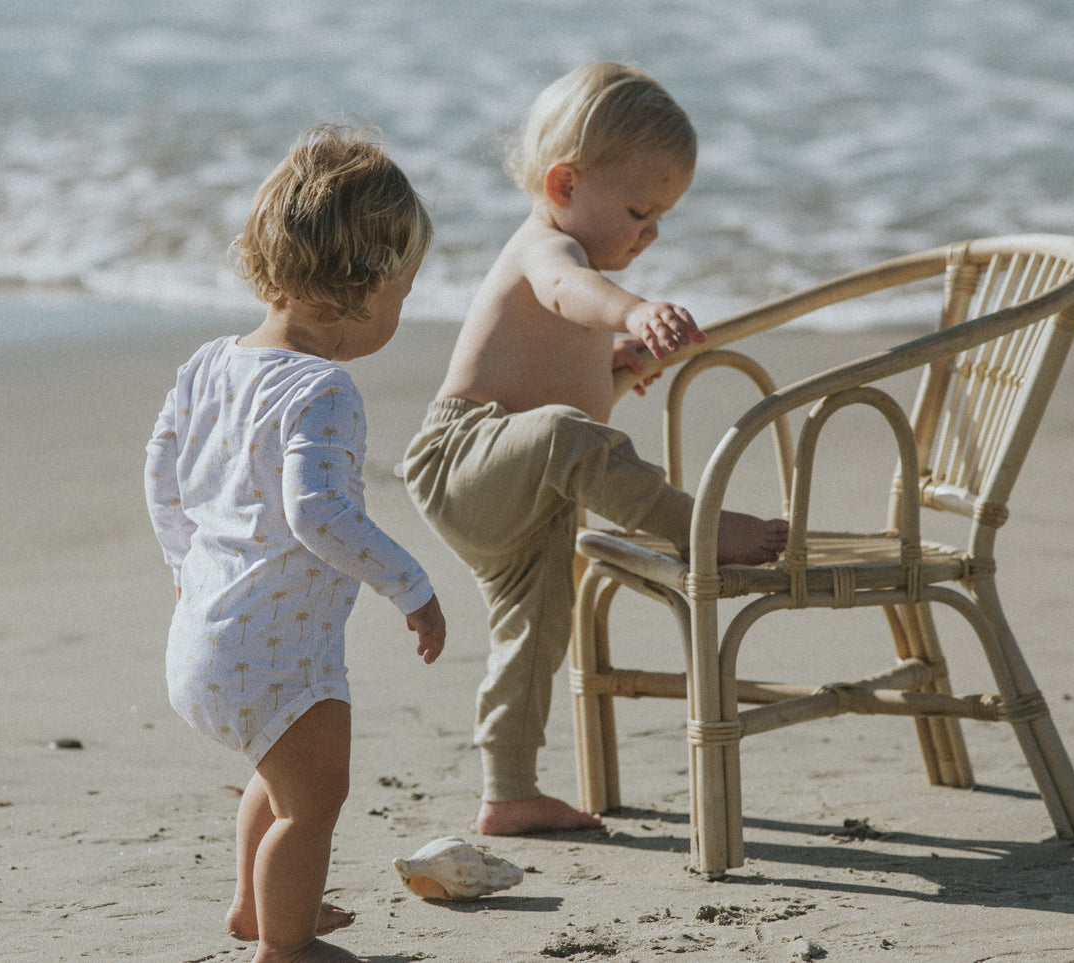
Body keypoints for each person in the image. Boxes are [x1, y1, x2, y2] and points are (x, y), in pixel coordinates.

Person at [402, 62, 787, 837]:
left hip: (528, 489)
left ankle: (507, 788)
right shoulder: (546, 249)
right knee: (563, 433)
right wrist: (633, 313)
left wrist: (612, 365)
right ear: (564, 185)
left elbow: (559, 386)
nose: (650, 232)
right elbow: (563, 297)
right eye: (639, 209)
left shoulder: (578, 256)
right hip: (462, 458)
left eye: (662, 218)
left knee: (536, 630)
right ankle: (698, 524)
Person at [145, 124, 446, 963]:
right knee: (313, 802)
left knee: (279, 782)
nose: (401, 308)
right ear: (365, 283)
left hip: (203, 636)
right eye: (404, 291)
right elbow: (317, 513)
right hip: (279, 652)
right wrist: (409, 583)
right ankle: (284, 946)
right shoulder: (323, 387)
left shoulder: (211, 362)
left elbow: (159, 473)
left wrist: (180, 563)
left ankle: (255, 905)